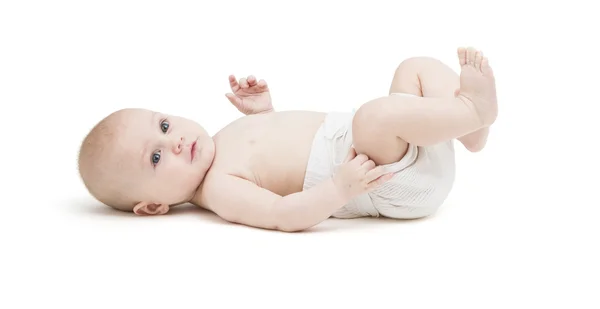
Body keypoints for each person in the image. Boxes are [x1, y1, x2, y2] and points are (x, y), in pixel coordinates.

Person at [77, 47, 497, 232]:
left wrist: (265, 113)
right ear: (152, 206)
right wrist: (339, 188)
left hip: (404, 146)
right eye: (155, 158)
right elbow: (281, 212)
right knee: (373, 116)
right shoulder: (219, 187)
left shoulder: (220, 145)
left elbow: (282, 157)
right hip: (387, 183)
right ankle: (473, 111)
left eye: (164, 126)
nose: (173, 142)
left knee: (414, 68)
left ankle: (469, 132)